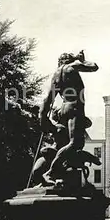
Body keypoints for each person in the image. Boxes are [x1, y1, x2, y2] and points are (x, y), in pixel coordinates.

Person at [39, 50, 98, 186]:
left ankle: (60, 172)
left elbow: (47, 101)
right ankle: (50, 173)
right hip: (75, 108)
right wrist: (81, 60)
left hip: (64, 108)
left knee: (66, 142)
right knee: (75, 143)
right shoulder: (72, 67)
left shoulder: (56, 74)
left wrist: (42, 117)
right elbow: (94, 67)